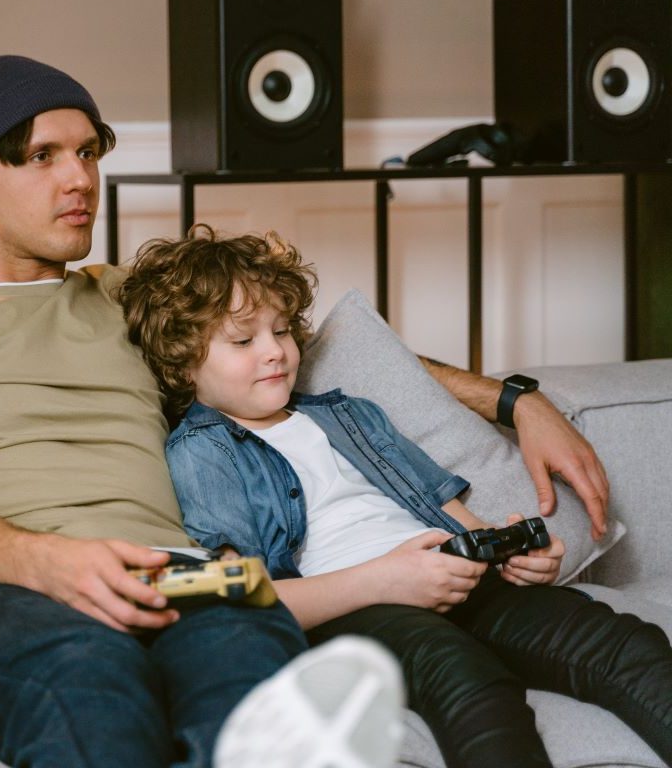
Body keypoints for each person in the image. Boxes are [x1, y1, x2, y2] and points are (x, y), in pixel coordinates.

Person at [0, 55, 409, 768]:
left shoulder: (132, 298)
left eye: (88, 152)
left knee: (248, 683)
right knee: (91, 679)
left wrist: (515, 399)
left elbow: (299, 349)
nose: (80, 180)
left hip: (174, 574)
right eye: (42, 157)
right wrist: (53, 564)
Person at [118, 226, 672, 768]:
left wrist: (506, 553)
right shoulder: (203, 451)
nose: (275, 352)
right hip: (359, 607)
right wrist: (385, 579)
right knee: (465, 677)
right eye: (243, 340)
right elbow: (246, 596)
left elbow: (443, 505)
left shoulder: (348, 414)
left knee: (623, 644)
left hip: (455, 576)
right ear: (183, 362)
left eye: (282, 331)